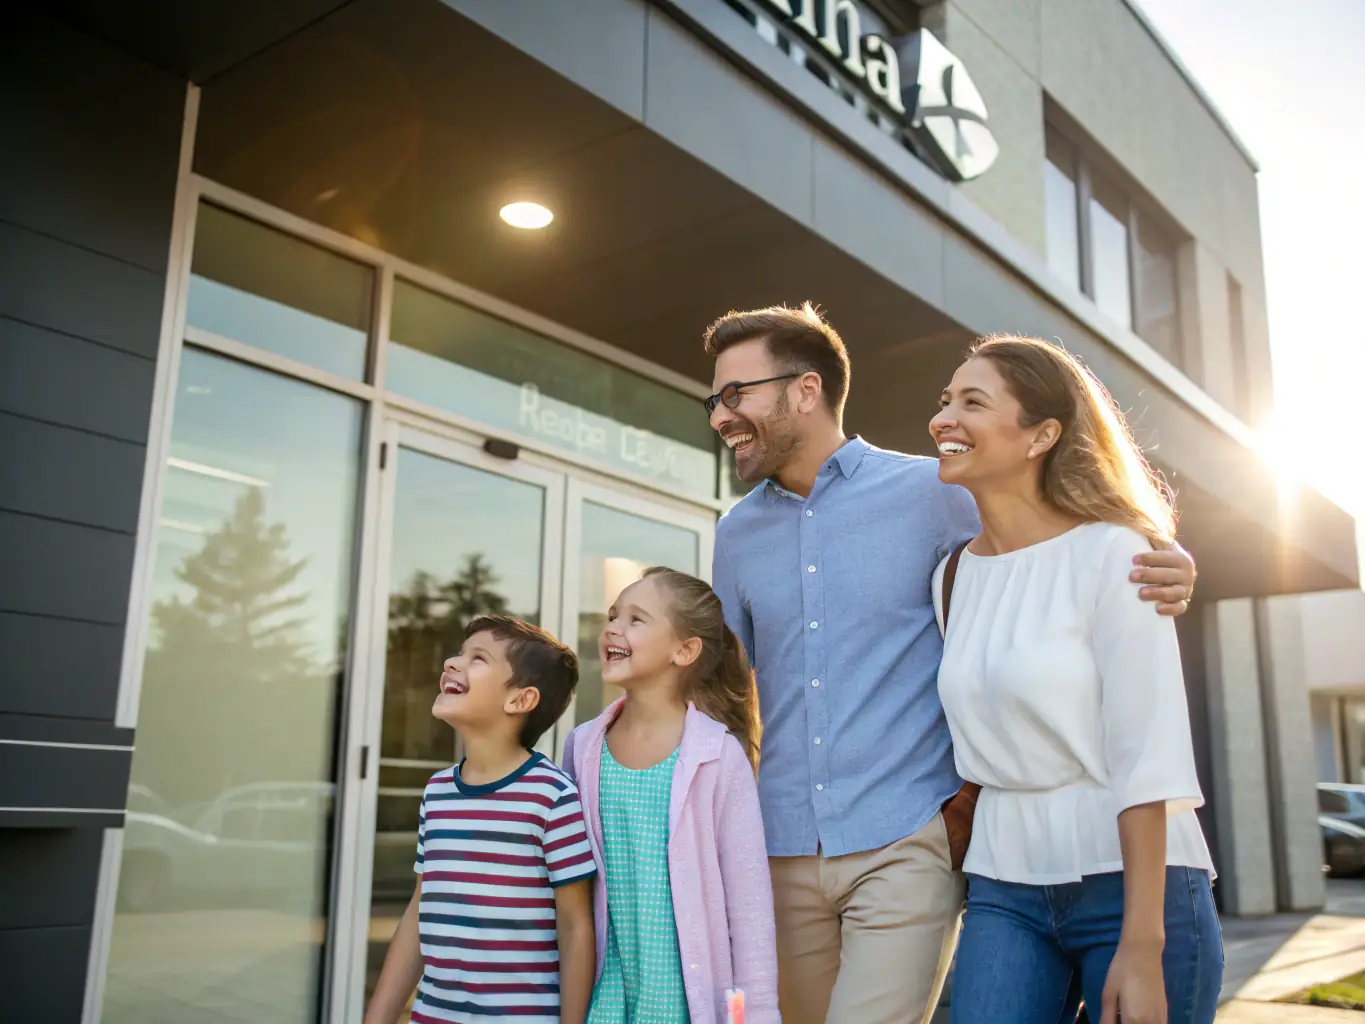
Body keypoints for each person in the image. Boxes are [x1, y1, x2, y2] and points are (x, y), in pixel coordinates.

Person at [702, 304, 1198, 1024]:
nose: (718, 415)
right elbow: (726, 690)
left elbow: (1048, 538)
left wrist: (1168, 557)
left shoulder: (936, 494)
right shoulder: (736, 534)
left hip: (906, 835)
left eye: (733, 394)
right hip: (780, 844)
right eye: (714, 398)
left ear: (804, 391)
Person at [929, 335, 1222, 1024]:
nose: (944, 418)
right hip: (1003, 882)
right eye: (944, 400)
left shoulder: (1117, 554)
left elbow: (1146, 755)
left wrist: (1142, 943)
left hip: (1136, 885)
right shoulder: (950, 578)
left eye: (973, 401)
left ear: (1042, 435)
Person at [561, 566, 779, 1024]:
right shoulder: (582, 748)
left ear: (685, 650)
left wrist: (755, 1017)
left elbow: (750, 913)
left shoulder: (719, 756)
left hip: (687, 1008)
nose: (613, 628)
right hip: (606, 1002)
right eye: (613, 615)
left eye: (636, 620)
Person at [365, 616, 597, 1024]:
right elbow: (421, 910)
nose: (453, 663)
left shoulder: (552, 797)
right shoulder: (437, 792)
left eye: (478, 658)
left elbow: (576, 927)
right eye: (459, 652)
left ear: (520, 700)